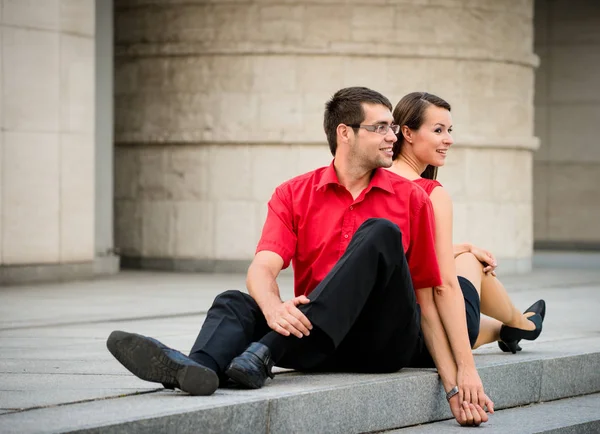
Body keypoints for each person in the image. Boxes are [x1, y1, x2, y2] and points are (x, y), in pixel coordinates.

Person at [106, 87, 492, 427]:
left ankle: (265, 352)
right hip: (316, 342)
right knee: (235, 303)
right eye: (380, 128)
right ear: (346, 133)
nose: (393, 136)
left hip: (382, 342)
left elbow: (429, 295)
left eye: (393, 127)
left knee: (380, 232)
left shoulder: (412, 198)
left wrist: (459, 378)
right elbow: (262, 268)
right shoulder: (294, 193)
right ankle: (199, 370)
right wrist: (274, 309)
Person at [389, 91, 545, 364]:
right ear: (408, 133)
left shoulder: (375, 181)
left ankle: (509, 329)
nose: (448, 139)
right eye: (438, 130)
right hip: (434, 334)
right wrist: (464, 369)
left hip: (389, 335)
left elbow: (405, 254)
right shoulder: (429, 192)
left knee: (465, 253)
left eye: (449, 130)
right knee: (472, 261)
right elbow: (443, 285)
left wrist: (462, 247)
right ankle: (522, 324)